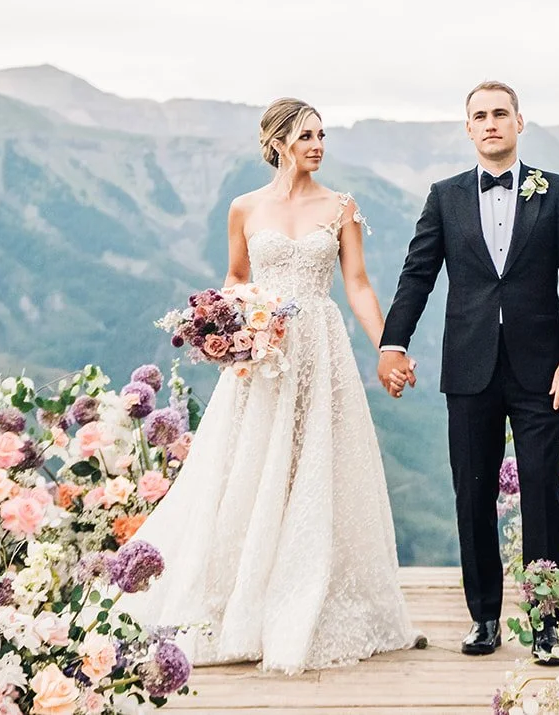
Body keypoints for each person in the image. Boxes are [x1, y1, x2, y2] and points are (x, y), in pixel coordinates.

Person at [118, 97, 416, 672]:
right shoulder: (244, 208)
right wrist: (222, 328)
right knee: (252, 467)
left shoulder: (342, 207)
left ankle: (308, 589)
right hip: (261, 354)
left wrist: (388, 346)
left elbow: (356, 285)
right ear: (279, 142)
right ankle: (240, 598)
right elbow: (235, 277)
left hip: (320, 351)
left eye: (322, 136)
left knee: (314, 465)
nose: (318, 145)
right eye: (306, 136)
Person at [379, 80, 559, 666]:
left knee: (542, 493)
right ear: (468, 128)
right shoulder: (444, 196)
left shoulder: (558, 192)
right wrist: (393, 342)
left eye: (502, 113)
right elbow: (418, 274)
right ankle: (484, 618)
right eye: (481, 115)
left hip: (541, 370)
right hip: (468, 368)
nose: (492, 123)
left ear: (520, 122)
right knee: (471, 492)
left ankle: (547, 624)